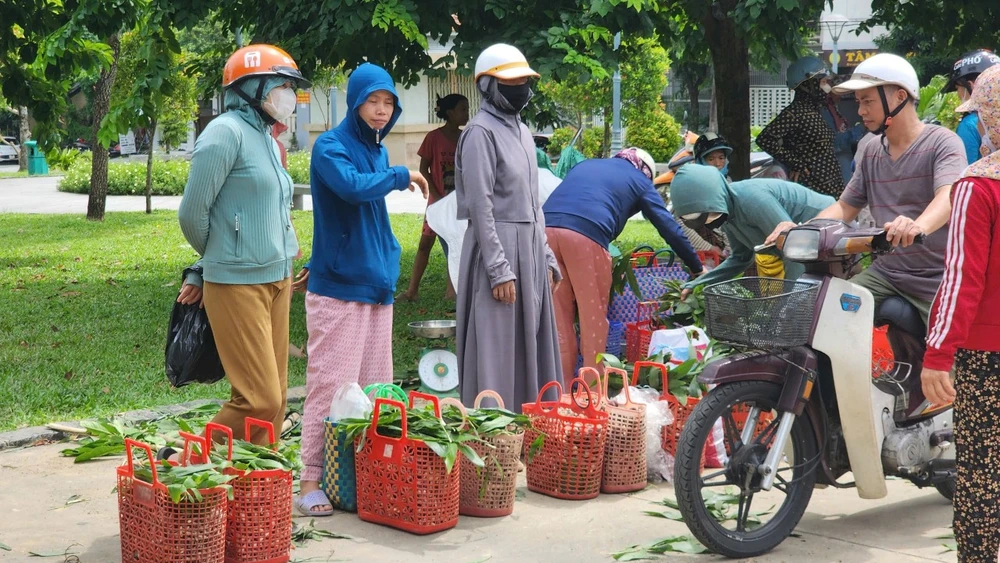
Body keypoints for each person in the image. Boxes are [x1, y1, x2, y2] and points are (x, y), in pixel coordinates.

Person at [293, 62, 429, 516]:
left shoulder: (377, 150)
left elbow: (364, 209)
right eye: (373, 100)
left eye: (388, 102)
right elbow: (350, 190)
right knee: (330, 386)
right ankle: (311, 478)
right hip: (339, 290)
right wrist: (400, 175)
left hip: (377, 285)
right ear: (355, 101)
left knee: (375, 390)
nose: (380, 110)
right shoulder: (328, 147)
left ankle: (362, 478)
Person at [768, 53, 967, 327]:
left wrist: (917, 227)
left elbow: (948, 196)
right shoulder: (871, 149)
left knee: (946, 365)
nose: (860, 111)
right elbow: (845, 207)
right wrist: (801, 229)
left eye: (868, 101)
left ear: (899, 97)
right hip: (887, 272)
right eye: (859, 102)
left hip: (937, 277)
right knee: (824, 319)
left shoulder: (943, 143)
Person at [176, 44, 309, 447]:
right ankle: (186, 460)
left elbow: (272, 207)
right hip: (236, 282)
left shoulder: (267, 138)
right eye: (281, 85)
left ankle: (249, 490)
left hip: (277, 278)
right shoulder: (225, 132)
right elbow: (191, 213)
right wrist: (219, 257)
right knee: (259, 400)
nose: (289, 94)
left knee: (276, 401)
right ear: (252, 87)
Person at [920, 63, 1000, 563]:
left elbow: (961, 278)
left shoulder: (978, 186)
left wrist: (937, 353)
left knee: (982, 475)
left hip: (987, 356)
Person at [455, 43, 561, 411]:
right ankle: (494, 439)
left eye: (524, 81)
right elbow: (480, 207)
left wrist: (546, 256)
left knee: (532, 347)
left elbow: (534, 201)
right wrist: (498, 270)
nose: (521, 89)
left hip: (529, 249)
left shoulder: (524, 132)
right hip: (497, 250)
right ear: (487, 86)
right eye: (510, 81)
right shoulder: (479, 133)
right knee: (497, 351)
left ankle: (530, 434)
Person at [543, 148, 704, 384]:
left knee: (560, 323)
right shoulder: (640, 180)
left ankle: (561, 396)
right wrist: (696, 267)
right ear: (645, 170)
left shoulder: (587, 164)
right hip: (585, 236)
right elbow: (668, 226)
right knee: (593, 321)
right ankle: (592, 395)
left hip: (544, 234)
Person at [672, 164, 835, 297]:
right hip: (802, 251)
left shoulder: (752, 201)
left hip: (828, 230)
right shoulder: (728, 214)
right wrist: (698, 283)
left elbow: (795, 250)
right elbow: (741, 258)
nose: (709, 220)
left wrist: (791, 302)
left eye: (709, 214)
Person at [399, 94, 469, 302]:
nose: (467, 113)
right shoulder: (433, 138)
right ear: (449, 113)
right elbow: (423, 169)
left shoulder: (467, 137)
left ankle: (452, 292)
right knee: (424, 245)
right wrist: (437, 196)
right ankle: (412, 291)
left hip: (459, 204)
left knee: (455, 245)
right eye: (462, 109)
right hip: (437, 203)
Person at [755, 56, 846, 198]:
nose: (827, 88)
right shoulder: (795, 112)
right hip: (812, 188)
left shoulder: (817, 111)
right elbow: (764, 139)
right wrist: (795, 163)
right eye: (822, 82)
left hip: (831, 186)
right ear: (808, 84)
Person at [945, 49, 1000, 165]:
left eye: (957, 88)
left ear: (971, 86)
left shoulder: (969, 125)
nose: (958, 94)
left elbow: (963, 170)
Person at [819, 76, 867, 184]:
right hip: (836, 158)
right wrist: (861, 128)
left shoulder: (834, 109)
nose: (841, 96)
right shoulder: (823, 111)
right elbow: (835, 140)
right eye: (838, 92)